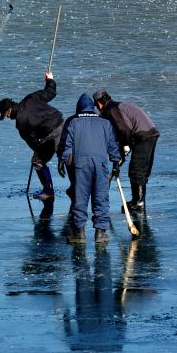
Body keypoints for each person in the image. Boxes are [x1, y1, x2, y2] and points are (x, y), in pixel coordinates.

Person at [59, 94, 121, 245]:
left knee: (80, 197)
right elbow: (113, 145)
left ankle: (79, 234)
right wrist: (115, 162)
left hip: (81, 164)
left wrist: (61, 161)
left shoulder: (73, 122)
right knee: (101, 196)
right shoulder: (105, 123)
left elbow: (67, 145)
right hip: (101, 164)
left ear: (78, 108)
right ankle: (101, 233)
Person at [0, 72, 63, 199]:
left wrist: (38, 152)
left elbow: (34, 143)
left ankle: (48, 191)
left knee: (37, 161)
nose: (7, 117)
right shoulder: (30, 98)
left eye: (5, 115)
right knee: (69, 158)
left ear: (9, 110)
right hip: (63, 124)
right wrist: (50, 80)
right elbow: (50, 92)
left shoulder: (20, 123)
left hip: (51, 134)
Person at [94, 89, 160, 212]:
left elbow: (124, 130)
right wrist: (122, 154)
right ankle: (139, 200)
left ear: (99, 104)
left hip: (142, 135)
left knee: (137, 170)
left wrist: (125, 146)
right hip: (150, 133)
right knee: (142, 169)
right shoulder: (118, 105)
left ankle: (138, 202)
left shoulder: (111, 110)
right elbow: (123, 131)